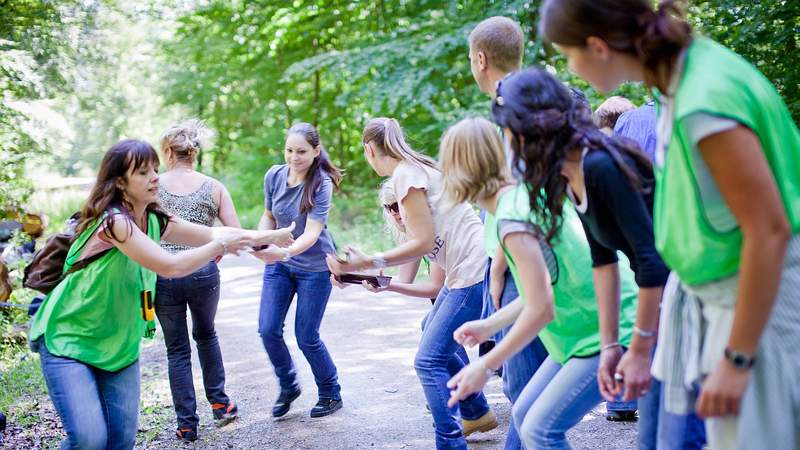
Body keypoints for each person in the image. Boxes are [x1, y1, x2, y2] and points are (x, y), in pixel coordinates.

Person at [539, 1, 800, 448]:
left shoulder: (704, 99)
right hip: (719, 301)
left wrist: (737, 359)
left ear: (598, 47)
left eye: (568, 55)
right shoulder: (683, 78)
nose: (570, 68)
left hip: (758, 309)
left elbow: (769, 229)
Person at [27, 139, 294, 450]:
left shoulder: (154, 219)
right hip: (69, 338)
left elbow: (215, 233)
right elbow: (171, 266)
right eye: (143, 172)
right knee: (89, 440)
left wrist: (268, 239)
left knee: (119, 442)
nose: (155, 176)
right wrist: (221, 247)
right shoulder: (115, 223)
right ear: (120, 184)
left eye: (155, 168)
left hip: (117, 346)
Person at [492, 68, 706, 450]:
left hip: (687, 303)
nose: (507, 141)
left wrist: (637, 349)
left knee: (670, 441)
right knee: (533, 420)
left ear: (531, 130)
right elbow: (602, 260)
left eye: (508, 130)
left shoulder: (600, 166)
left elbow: (652, 262)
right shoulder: (569, 173)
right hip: (657, 305)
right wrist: (609, 347)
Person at [441, 117, 639, 449]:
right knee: (526, 416)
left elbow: (542, 306)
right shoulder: (516, 199)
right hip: (579, 335)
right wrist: (491, 324)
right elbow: (545, 287)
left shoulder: (511, 219)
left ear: (459, 170)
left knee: (539, 429)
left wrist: (486, 366)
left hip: (610, 329)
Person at [326, 118, 494, 450]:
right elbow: (412, 277)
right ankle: (476, 411)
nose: (394, 212)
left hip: (474, 272)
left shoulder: (406, 177)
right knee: (428, 325)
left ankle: (451, 442)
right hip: (465, 273)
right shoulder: (413, 173)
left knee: (427, 360)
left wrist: (368, 260)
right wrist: (368, 278)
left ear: (369, 149)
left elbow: (422, 242)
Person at [468, 17, 549, 449]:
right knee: (531, 395)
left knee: (526, 390)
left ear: (481, 59)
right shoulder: (535, 97)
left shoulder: (512, 108)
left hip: (519, 264)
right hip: (523, 258)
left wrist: (498, 267)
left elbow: (519, 193)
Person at [156, 119, 242, 442]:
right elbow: (233, 233)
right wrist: (214, 250)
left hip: (164, 272)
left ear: (168, 152)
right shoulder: (214, 186)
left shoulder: (154, 187)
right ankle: (220, 404)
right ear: (194, 152)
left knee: (176, 349)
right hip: (204, 272)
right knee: (206, 335)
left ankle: (186, 425)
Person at [255, 122, 344, 419]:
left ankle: (331, 392)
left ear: (316, 151)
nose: (294, 157)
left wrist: (283, 251)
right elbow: (268, 217)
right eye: (290, 150)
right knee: (267, 329)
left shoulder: (321, 183)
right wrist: (261, 242)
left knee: (306, 335)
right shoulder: (274, 176)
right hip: (281, 265)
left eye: (302, 151)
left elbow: (312, 232)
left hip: (315, 268)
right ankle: (288, 385)